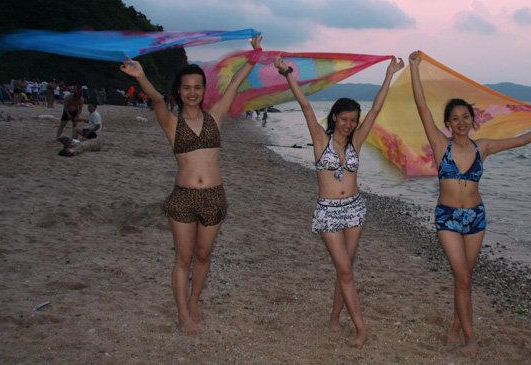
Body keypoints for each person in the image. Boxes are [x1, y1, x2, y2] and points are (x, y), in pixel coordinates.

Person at [408, 51, 531, 356]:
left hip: (476, 218)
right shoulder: (440, 145)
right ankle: (471, 338)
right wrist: (414, 68)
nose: (461, 122)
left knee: (464, 280)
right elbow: (421, 106)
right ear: (447, 123)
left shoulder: (483, 147)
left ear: (472, 120)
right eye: (455, 118)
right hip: (448, 218)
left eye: (466, 117)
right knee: (463, 277)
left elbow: (520, 140)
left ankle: (455, 328)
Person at [119, 34, 263, 335]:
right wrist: (141, 76)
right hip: (183, 199)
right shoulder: (171, 123)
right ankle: (183, 315)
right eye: (187, 87)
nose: (192, 92)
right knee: (183, 257)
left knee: (204, 255)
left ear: (203, 90)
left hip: (214, 197)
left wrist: (254, 55)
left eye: (198, 87)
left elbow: (235, 83)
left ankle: (194, 300)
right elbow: (157, 99)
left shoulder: (216, 116)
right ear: (179, 90)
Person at [273, 53, 404, 348]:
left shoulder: (357, 142)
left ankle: (335, 316)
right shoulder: (321, 140)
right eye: (344, 118)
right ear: (334, 117)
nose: (349, 123)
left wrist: (389, 75)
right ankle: (361, 329)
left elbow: (376, 109)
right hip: (329, 212)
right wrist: (287, 74)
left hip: (355, 209)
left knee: (345, 269)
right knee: (344, 270)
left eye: (353, 120)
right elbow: (305, 106)